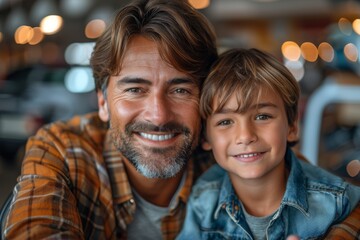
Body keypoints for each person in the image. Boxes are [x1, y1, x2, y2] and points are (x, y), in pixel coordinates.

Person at [2, 0, 360, 239]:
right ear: (103, 102)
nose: (158, 115)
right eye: (135, 90)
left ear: (204, 101)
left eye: (180, 90)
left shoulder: (230, 154)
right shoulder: (63, 150)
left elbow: (328, 196)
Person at [177, 48, 360, 240]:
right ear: (206, 137)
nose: (245, 136)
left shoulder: (336, 202)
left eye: (262, 116)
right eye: (225, 122)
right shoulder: (203, 200)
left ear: (292, 127)